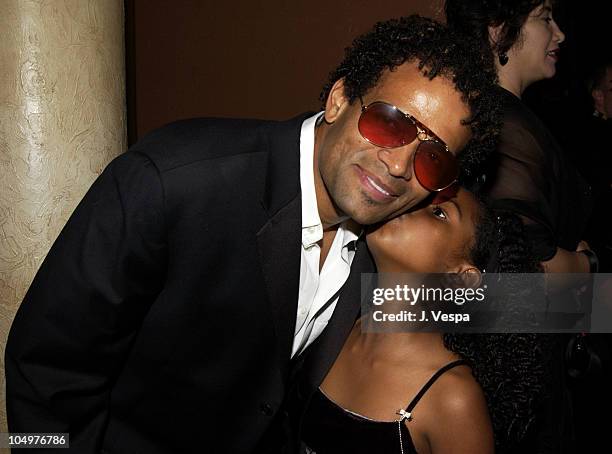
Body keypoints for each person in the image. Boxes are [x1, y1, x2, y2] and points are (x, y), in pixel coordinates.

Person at [4, 16, 500, 454]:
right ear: (339, 100)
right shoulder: (173, 182)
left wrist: (576, 284)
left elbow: (501, 299)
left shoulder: (384, 247)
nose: (397, 165)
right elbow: (41, 374)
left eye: (432, 159)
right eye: (389, 123)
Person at [445, 1, 594, 452]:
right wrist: (591, 267)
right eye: (546, 17)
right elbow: (524, 278)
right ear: (498, 29)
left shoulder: (490, 113)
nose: (560, 33)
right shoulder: (505, 124)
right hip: (518, 367)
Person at [298, 187, 548, 454]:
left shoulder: (453, 399)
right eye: (418, 196)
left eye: (439, 212)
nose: (409, 204)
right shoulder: (332, 317)